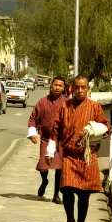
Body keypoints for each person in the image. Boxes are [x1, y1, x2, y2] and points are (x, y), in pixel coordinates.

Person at [46, 75, 110, 222]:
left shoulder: (95, 107)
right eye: (77, 87)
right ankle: (70, 221)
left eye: (83, 87)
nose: (80, 90)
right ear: (72, 89)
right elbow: (55, 130)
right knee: (66, 189)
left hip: (87, 156)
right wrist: (50, 151)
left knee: (84, 194)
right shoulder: (64, 107)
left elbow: (105, 127)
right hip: (68, 155)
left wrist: (91, 129)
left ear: (88, 88)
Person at [27, 75, 67, 204]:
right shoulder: (42, 102)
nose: (57, 88)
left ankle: (56, 194)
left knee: (59, 168)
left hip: (61, 140)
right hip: (46, 139)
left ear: (63, 88)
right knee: (44, 166)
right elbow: (33, 118)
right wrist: (33, 133)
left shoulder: (66, 103)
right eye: (55, 85)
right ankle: (44, 180)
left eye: (60, 86)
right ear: (51, 85)